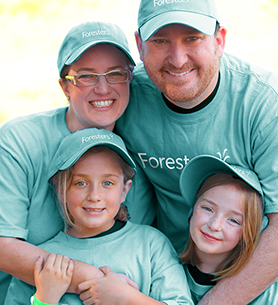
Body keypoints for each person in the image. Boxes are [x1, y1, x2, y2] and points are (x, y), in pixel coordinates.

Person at [115, 0, 278, 303]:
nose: (178, 59)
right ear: (139, 46)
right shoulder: (128, 99)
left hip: (271, 285)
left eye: (192, 38)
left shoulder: (269, 104)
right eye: (161, 40)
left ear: (219, 40)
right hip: (176, 279)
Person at [0, 20, 137, 303]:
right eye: (86, 76)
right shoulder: (19, 140)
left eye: (114, 73)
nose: (102, 88)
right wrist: (96, 281)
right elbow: (2, 246)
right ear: (64, 86)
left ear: (130, 79)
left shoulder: (130, 151)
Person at [5, 128, 193, 305]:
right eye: (80, 183)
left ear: (124, 190)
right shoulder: (42, 261)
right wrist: (45, 298)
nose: (94, 196)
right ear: (61, 190)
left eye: (108, 183)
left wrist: (127, 298)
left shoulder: (151, 245)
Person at [179, 154, 278, 305]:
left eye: (233, 220)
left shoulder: (273, 293)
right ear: (192, 211)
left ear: (248, 233)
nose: (214, 225)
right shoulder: (164, 269)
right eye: (208, 209)